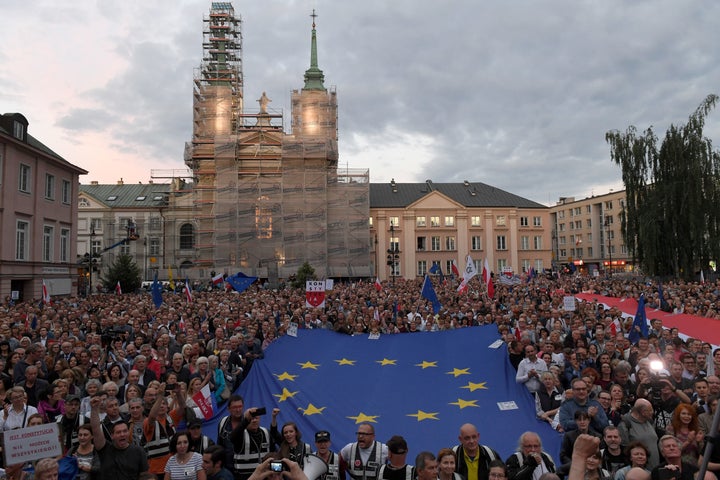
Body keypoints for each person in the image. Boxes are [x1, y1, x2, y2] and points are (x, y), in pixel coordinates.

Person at [90, 394, 150, 479]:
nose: (122, 434)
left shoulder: (138, 452)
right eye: (118, 432)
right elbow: (95, 429)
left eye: (125, 431)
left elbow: (144, 476)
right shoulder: (105, 449)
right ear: (112, 436)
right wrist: (94, 409)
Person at [144, 383, 185, 476]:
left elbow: (182, 407)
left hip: (173, 468)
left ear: (167, 407)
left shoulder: (172, 417)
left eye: (164, 404)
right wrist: (160, 396)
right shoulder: (148, 421)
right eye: (158, 404)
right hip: (155, 471)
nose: (161, 406)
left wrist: (178, 393)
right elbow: (152, 416)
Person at [229, 406, 274, 480]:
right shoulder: (240, 434)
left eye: (256, 418)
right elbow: (232, 437)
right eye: (251, 418)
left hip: (265, 476)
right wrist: (246, 420)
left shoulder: (266, 432)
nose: (254, 420)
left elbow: (272, 452)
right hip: (244, 477)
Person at [618, 399, 660, 470]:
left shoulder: (650, 421)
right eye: (650, 410)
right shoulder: (625, 424)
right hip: (638, 470)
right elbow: (624, 449)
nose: (652, 412)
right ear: (643, 412)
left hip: (655, 468)